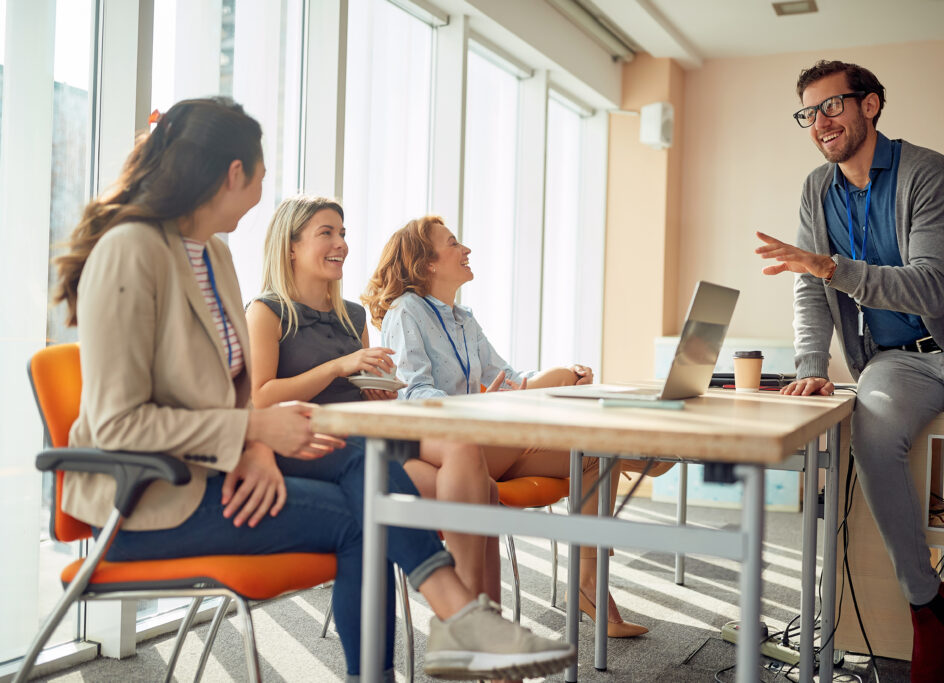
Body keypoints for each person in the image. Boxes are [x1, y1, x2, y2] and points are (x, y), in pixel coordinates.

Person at [53, 98, 574, 683]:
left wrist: (251, 449)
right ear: (233, 173)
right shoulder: (130, 251)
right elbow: (123, 425)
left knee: (365, 479)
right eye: (260, 178)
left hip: (219, 470)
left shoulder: (214, 254)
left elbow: (225, 392)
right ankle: (458, 618)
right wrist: (252, 432)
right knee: (365, 515)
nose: (259, 197)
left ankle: (459, 623)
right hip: (149, 499)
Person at [755, 60, 944, 683]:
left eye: (833, 106)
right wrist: (809, 366)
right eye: (809, 112)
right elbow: (807, 288)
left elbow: (932, 285)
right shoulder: (815, 190)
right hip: (898, 362)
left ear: (870, 105)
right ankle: (928, 604)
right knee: (869, 435)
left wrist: (828, 268)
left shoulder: (927, 171)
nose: (820, 122)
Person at [364, 215, 673, 638]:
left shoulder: (463, 318)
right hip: (448, 449)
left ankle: (586, 584)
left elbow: (508, 379)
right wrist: (479, 405)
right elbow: (412, 396)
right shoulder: (406, 313)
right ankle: (641, 450)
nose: (466, 249)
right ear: (426, 263)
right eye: (454, 243)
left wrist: (563, 374)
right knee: (595, 440)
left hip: (491, 438)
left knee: (596, 455)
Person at [245, 194, 503, 647]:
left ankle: (472, 621)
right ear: (290, 246)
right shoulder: (266, 312)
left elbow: (364, 390)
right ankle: (473, 629)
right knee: (487, 492)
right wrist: (338, 367)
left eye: (342, 233)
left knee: (464, 446)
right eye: (326, 233)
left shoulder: (353, 315)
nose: (341, 243)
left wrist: (381, 387)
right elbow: (260, 399)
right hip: (324, 449)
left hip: (373, 433)